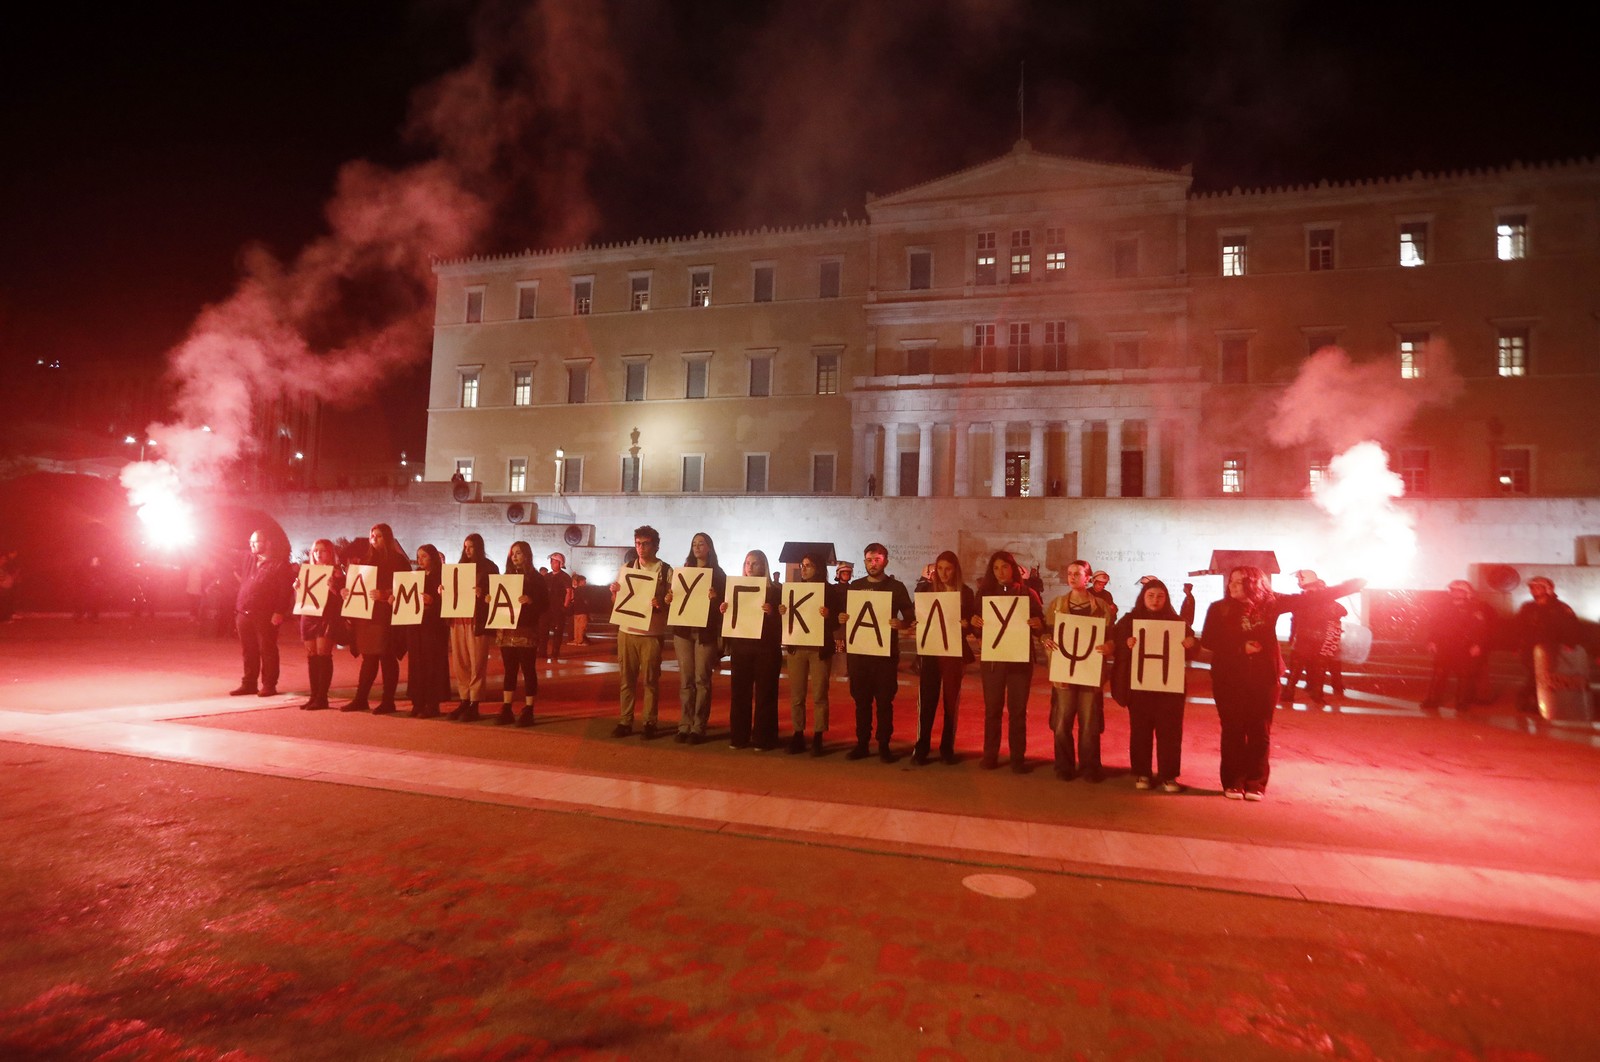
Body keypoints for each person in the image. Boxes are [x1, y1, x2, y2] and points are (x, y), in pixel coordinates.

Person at [1202, 566, 1365, 800]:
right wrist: (1240, 648)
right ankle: (1233, 781)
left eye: (1239, 581)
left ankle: (1256, 782)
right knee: (1233, 729)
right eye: (1232, 581)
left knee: (1260, 730)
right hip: (1229, 678)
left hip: (1264, 677)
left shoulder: (1271, 603)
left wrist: (1349, 586)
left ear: (1254, 584)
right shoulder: (1220, 608)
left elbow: (1312, 599)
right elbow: (1209, 640)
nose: (1232, 585)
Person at [1111, 579, 1195, 792]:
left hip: (1169, 689)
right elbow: (1116, 640)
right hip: (1140, 686)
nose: (1155, 600)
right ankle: (1142, 772)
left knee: (1171, 733)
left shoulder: (1176, 622)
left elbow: (1192, 646)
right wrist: (1126, 643)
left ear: (1166, 598)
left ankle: (1169, 775)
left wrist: (1191, 644)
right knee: (1140, 731)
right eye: (1150, 596)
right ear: (1143, 597)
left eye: (1159, 596)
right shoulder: (1130, 620)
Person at [839, 543, 914, 762]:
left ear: (886, 561)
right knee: (861, 701)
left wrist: (901, 624)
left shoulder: (896, 587)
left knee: (884, 701)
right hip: (859, 654)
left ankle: (884, 745)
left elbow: (909, 615)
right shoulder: (855, 587)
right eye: (869, 560)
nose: (873, 564)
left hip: (885, 656)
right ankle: (862, 743)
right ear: (864, 562)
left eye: (877, 559)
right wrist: (842, 618)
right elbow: (846, 614)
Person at [1041, 559, 1113, 779]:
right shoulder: (1057, 604)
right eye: (1070, 573)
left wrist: (1110, 646)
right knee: (1062, 722)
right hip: (1064, 671)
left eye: (1078, 573)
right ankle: (1064, 766)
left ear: (1088, 578)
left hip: (1090, 673)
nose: (1072, 577)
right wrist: (1045, 640)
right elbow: (1046, 632)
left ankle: (1090, 766)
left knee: (1090, 722)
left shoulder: (1100, 607)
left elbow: (1110, 636)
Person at [912, 550, 977, 765]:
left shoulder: (966, 593)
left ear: (955, 570)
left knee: (951, 701)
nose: (943, 573)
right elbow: (919, 616)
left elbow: (971, 622)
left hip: (954, 653)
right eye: (939, 568)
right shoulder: (927, 590)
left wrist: (966, 625)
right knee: (927, 699)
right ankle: (922, 745)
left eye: (948, 569)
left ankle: (947, 746)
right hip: (930, 652)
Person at [340, 523, 412, 714]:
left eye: (378, 535)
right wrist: (348, 591)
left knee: (386, 657)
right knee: (368, 657)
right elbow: (358, 584)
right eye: (372, 535)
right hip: (367, 617)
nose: (374, 538)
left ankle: (388, 701)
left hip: (385, 616)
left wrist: (385, 593)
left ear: (387, 538)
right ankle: (361, 698)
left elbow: (406, 586)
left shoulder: (398, 561)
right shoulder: (366, 560)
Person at [610, 526, 671, 738]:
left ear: (655, 546)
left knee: (651, 680)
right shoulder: (627, 567)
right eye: (637, 543)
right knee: (626, 679)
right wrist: (614, 592)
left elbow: (672, 601)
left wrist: (661, 603)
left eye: (645, 544)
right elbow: (616, 602)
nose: (641, 548)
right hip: (626, 630)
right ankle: (625, 720)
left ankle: (649, 722)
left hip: (651, 633)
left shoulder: (665, 571)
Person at [669, 532, 725, 744]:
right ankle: (684, 724)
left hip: (705, 633)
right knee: (686, 679)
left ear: (709, 547)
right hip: (683, 631)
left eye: (701, 543)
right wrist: (670, 597)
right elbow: (676, 599)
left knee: (702, 678)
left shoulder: (719, 575)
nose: (697, 547)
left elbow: (725, 608)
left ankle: (698, 726)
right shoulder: (684, 572)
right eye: (694, 543)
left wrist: (715, 598)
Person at [724, 549, 783, 750]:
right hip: (741, 647)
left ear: (764, 566)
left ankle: (764, 738)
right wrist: (724, 609)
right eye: (748, 562)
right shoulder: (733, 588)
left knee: (766, 693)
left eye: (755, 563)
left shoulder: (775, 591)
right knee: (740, 693)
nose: (750, 567)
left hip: (766, 648)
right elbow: (730, 620)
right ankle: (739, 736)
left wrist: (773, 612)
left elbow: (785, 622)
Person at [782, 552, 840, 756]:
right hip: (797, 646)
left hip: (819, 649)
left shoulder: (830, 591)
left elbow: (839, 621)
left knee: (819, 694)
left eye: (808, 565)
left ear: (819, 568)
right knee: (797, 694)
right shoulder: (793, 590)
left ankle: (818, 735)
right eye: (802, 565)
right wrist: (783, 611)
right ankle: (798, 733)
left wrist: (829, 615)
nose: (804, 568)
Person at [232, 529, 294, 697]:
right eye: (250, 541)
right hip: (244, 612)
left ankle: (269, 684)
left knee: (267, 649)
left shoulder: (279, 565)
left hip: (265, 615)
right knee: (248, 650)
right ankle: (249, 683)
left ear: (268, 543)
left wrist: (279, 611)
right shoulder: (249, 559)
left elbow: (284, 591)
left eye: (256, 541)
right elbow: (229, 552)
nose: (252, 545)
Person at [494, 540, 548, 726]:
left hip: (526, 629)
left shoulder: (536, 578)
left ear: (526, 554)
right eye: (512, 553)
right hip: (507, 629)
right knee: (509, 670)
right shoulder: (506, 577)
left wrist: (531, 600)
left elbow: (545, 604)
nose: (514, 556)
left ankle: (529, 708)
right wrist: (488, 598)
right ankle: (507, 706)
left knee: (527, 669)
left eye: (518, 553)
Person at [446, 534, 499, 722]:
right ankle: (464, 699)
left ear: (479, 547)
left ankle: (474, 702)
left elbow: (496, 592)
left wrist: (482, 593)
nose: (467, 550)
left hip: (477, 620)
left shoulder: (490, 567)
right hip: (459, 619)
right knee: (460, 662)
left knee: (477, 662)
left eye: (471, 547)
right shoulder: (459, 567)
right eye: (465, 547)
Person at [1515, 577, 1584, 713]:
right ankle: (1536, 701)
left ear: (1548, 589)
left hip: (1551, 649)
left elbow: (1572, 627)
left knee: (1543, 677)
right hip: (1530, 650)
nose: (1534, 590)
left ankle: (1537, 702)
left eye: (1538, 587)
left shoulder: (1561, 608)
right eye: (1533, 588)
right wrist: (1516, 645)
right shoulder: (1528, 607)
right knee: (1534, 675)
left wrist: (1570, 644)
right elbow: (1518, 628)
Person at [1280, 570, 1348, 707]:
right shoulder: (1325, 598)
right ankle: (1317, 694)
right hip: (1321, 638)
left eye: (1299, 579)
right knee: (1319, 666)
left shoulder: (1303, 599)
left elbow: (1295, 620)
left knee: (1297, 667)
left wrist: (1292, 636)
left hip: (1304, 637)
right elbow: (1342, 611)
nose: (1298, 582)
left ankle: (1289, 692)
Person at [1421, 579, 1491, 712]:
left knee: (1464, 675)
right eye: (1453, 590)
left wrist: (1477, 644)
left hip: (1465, 646)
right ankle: (1432, 700)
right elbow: (1433, 626)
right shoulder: (1442, 607)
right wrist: (1431, 641)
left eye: (1460, 591)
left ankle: (1462, 702)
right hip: (1445, 645)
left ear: (1467, 593)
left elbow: (1480, 628)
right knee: (1439, 673)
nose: (1456, 593)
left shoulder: (1475, 608)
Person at [294, 538, 345, 710]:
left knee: (323, 655)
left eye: (323, 550)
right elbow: (301, 598)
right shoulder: (308, 571)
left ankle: (322, 697)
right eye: (316, 550)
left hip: (326, 616)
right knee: (311, 656)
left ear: (330, 553)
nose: (318, 554)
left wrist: (334, 589)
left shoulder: (337, 574)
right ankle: (313, 695)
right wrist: (298, 588)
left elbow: (344, 600)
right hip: (309, 615)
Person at [407, 544, 451, 719]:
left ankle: (432, 703)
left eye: (424, 556)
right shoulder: (415, 575)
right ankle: (417, 701)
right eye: (418, 557)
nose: (420, 560)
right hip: (416, 625)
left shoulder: (442, 576)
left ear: (432, 557)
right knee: (416, 664)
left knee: (432, 665)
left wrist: (434, 601)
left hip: (433, 627)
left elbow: (449, 601)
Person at [543, 552, 573, 663]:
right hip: (547, 608)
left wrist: (564, 607)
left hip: (558, 608)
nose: (552, 564)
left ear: (561, 564)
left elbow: (568, 592)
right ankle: (542, 651)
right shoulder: (547, 576)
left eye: (555, 562)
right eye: (551, 561)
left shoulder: (565, 577)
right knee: (543, 630)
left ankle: (555, 653)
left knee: (558, 631)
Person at [569, 575, 591, 645]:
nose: (585, 582)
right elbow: (585, 601)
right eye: (584, 581)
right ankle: (580, 640)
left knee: (577, 627)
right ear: (581, 582)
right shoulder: (583, 590)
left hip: (576, 611)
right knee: (582, 627)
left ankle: (576, 640)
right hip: (582, 611)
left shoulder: (575, 590)